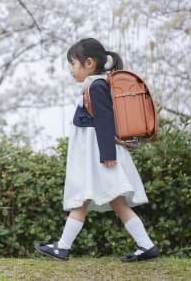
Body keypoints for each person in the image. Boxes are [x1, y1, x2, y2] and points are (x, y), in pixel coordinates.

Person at [34, 38, 159, 263]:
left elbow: (104, 121)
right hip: (96, 155)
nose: (71, 70)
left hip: (99, 157)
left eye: (73, 64)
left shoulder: (97, 86)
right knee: (114, 203)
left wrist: (108, 154)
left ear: (88, 63)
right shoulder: (94, 85)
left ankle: (63, 248)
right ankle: (146, 246)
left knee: (90, 199)